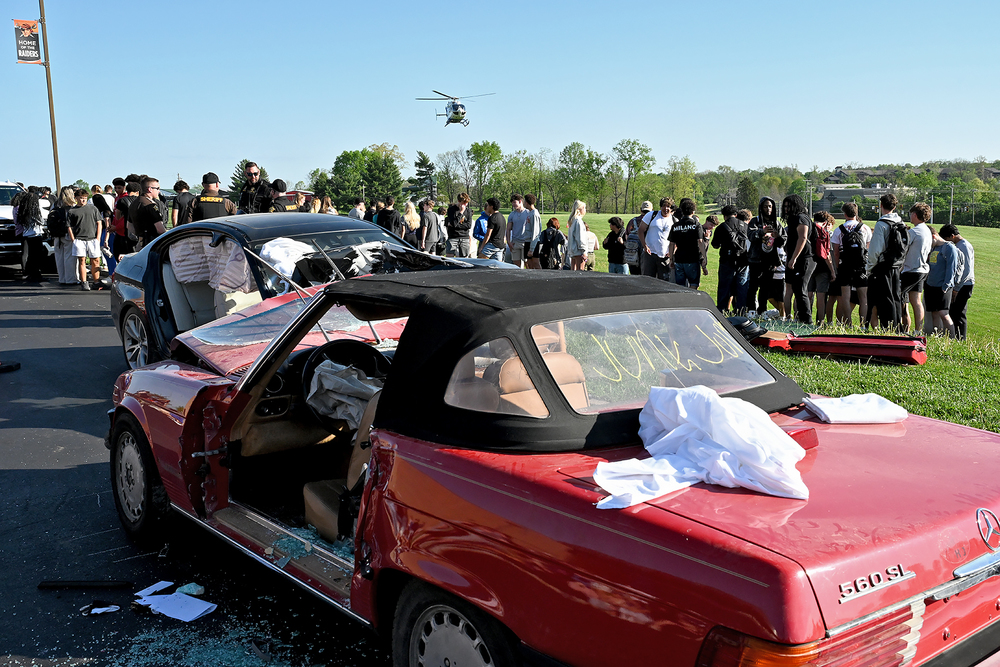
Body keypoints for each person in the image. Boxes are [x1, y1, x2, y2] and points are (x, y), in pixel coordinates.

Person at [866, 193, 907, 329]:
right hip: (896, 265)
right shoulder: (900, 223)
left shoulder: (882, 224)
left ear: (881, 205)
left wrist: (870, 267)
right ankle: (895, 326)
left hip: (882, 266)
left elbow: (875, 250)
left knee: (883, 300)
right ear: (895, 206)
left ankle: (886, 327)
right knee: (895, 298)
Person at [832, 202, 872, 326]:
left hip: (845, 265)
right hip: (861, 266)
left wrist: (838, 267)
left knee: (845, 296)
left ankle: (847, 322)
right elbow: (868, 248)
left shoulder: (839, 230)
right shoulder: (865, 228)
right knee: (863, 297)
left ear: (844, 214)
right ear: (856, 213)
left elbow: (836, 252)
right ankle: (863, 324)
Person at [780, 195, 815, 324]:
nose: (786, 209)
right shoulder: (793, 219)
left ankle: (807, 321)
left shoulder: (801, 218)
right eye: (785, 206)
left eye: (789, 206)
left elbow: (803, 238)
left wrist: (793, 258)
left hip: (804, 258)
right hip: (794, 258)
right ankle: (797, 319)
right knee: (795, 289)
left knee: (801, 290)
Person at [747, 197, 784, 313]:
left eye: (770, 206)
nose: (768, 209)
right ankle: (751, 310)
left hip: (770, 261)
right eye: (765, 206)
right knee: (753, 287)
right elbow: (750, 235)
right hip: (755, 259)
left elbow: (783, 241)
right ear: (761, 208)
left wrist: (777, 236)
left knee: (765, 288)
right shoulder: (755, 221)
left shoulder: (776, 223)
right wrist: (761, 232)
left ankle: (762, 311)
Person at [924, 225, 962, 337]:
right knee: (934, 313)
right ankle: (937, 338)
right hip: (931, 284)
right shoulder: (934, 248)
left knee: (943, 313)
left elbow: (952, 268)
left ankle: (952, 338)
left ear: (933, 236)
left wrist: (947, 285)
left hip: (943, 286)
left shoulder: (949, 248)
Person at [711, 204, 750, 313]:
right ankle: (741, 310)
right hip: (743, 260)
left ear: (724, 215)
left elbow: (715, 244)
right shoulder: (745, 226)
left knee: (724, 286)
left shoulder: (721, 227)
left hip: (727, 260)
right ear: (736, 214)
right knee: (742, 285)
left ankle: (722, 310)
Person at [941, 224, 974, 340]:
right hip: (961, 284)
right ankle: (955, 338)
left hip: (964, 285)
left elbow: (966, 270)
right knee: (954, 313)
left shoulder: (963, 246)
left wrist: (957, 288)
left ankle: (960, 339)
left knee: (959, 314)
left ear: (952, 236)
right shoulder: (961, 245)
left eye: (947, 239)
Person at [68, 188, 104, 290]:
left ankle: (96, 281)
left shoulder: (93, 209)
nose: (83, 200)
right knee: (82, 260)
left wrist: (98, 237)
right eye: (81, 198)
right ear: (76, 198)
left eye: (84, 198)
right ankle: (84, 282)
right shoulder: (72, 211)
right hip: (79, 239)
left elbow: (99, 223)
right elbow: (69, 226)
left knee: (96, 260)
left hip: (92, 238)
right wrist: (73, 239)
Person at [667, 198, 706, 288]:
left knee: (680, 286)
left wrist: (672, 259)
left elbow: (672, 244)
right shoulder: (696, 225)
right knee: (693, 284)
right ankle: (691, 301)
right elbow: (700, 242)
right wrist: (704, 257)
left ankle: (682, 301)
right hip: (692, 259)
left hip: (679, 259)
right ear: (693, 212)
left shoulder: (675, 225)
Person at [808, 211, 837, 325]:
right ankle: (820, 322)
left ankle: (805, 319)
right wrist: (832, 271)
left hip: (809, 266)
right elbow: (827, 254)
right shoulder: (824, 232)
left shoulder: (807, 229)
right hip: (822, 268)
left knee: (808, 294)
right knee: (821, 296)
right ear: (825, 222)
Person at [47, 186, 77, 285]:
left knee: (59, 257)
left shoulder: (55, 204)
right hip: (68, 234)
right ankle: (70, 279)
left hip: (57, 235)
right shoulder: (72, 205)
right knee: (69, 257)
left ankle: (62, 278)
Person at [15, 189, 47, 282]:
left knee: (31, 256)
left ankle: (31, 273)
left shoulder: (22, 210)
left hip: (27, 235)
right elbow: (41, 221)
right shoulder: (34, 211)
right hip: (35, 234)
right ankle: (36, 274)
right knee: (37, 256)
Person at [638, 197, 673, 279]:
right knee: (647, 280)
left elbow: (678, 239)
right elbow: (640, 230)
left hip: (665, 256)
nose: (666, 208)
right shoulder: (651, 215)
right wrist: (645, 246)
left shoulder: (674, 220)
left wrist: (672, 252)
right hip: (650, 254)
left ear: (671, 208)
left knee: (664, 282)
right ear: (660, 207)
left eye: (668, 206)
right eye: (664, 206)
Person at [128, 176, 167, 249]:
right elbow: (160, 229)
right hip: (153, 244)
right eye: (157, 188)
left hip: (140, 244)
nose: (159, 191)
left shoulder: (134, 203)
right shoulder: (150, 205)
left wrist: (140, 235)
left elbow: (129, 226)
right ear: (150, 189)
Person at [506, 194, 540, 268]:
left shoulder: (529, 213)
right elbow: (508, 229)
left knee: (528, 264)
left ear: (520, 201)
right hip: (515, 242)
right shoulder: (512, 214)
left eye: (514, 202)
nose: (513, 204)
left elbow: (535, 230)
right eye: (512, 203)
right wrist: (509, 241)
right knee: (516, 265)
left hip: (525, 242)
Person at [624, 201, 652, 276]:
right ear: (651, 211)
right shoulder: (651, 221)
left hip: (632, 253)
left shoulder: (632, 221)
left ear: (641, 210)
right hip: (647, 251)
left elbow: (627, 234)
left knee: (634, 275)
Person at [113, 180, 139, 259]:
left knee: (121, 255)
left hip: (124, 232)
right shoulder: (141, 200)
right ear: (137, 191)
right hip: (138, 232)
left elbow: (117, 216)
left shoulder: (122, 200)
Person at [445, 193, 473, 257]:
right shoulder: (451, 210)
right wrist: (461, 212)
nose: (466, 204)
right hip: (453, 236)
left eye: (467, 203)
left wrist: (456, 225)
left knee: (464, 257)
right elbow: (454, 223)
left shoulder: (469, 211)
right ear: (459, 201)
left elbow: (468, 225)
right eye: (464, 203)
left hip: (464, 237)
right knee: (449, 256)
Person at [566, 199, 588, 270]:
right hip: (578, 250)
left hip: (573, 250)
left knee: (573, 269)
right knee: (580, 270)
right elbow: (580, 237)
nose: (585, 210)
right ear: (579, 209)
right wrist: (584, 251)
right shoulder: (578, 221)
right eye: (584, 208)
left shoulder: (572, 221)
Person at [523, 194, 542, 269]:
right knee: (529, 264)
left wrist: (531, 249)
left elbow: (535, 232)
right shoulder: (530, 213)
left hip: (533, 242)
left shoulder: (534, 214)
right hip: (527, 241)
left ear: (527, 202)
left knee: (535, 263)